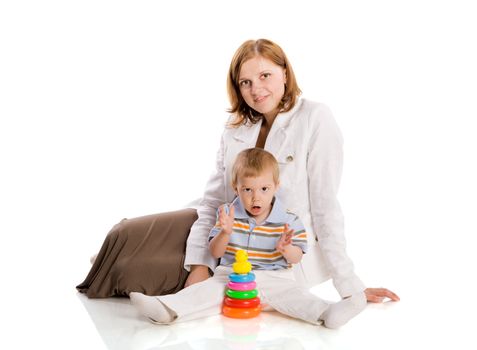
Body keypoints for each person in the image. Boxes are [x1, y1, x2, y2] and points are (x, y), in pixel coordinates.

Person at [77, 38, 399, 304]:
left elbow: (327, 207)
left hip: (258, 249)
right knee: (125, 232)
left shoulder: (316, 119)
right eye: (245, 82)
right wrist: (200, 261)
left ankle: (115, 269)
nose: (256, 89)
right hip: (220, 227)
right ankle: (114, 259)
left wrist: (350, 287)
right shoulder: (237, 127)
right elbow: (212, 200)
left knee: (131, 271)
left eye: (265, 76)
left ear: (285, 73)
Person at [130, 148, 367, 328]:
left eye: (264, 189)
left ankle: (327, 314)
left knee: (298, 297)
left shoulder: (289, 220)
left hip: (276, 277)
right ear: (236, 188)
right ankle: (166, 308)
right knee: (204, 292)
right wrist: (225, 232)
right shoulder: (228, 214)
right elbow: (215, 253)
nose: (256, 198)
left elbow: (296, 257)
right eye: (248, 190)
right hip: (231, 276)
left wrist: (287, 249)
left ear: (275, 186)